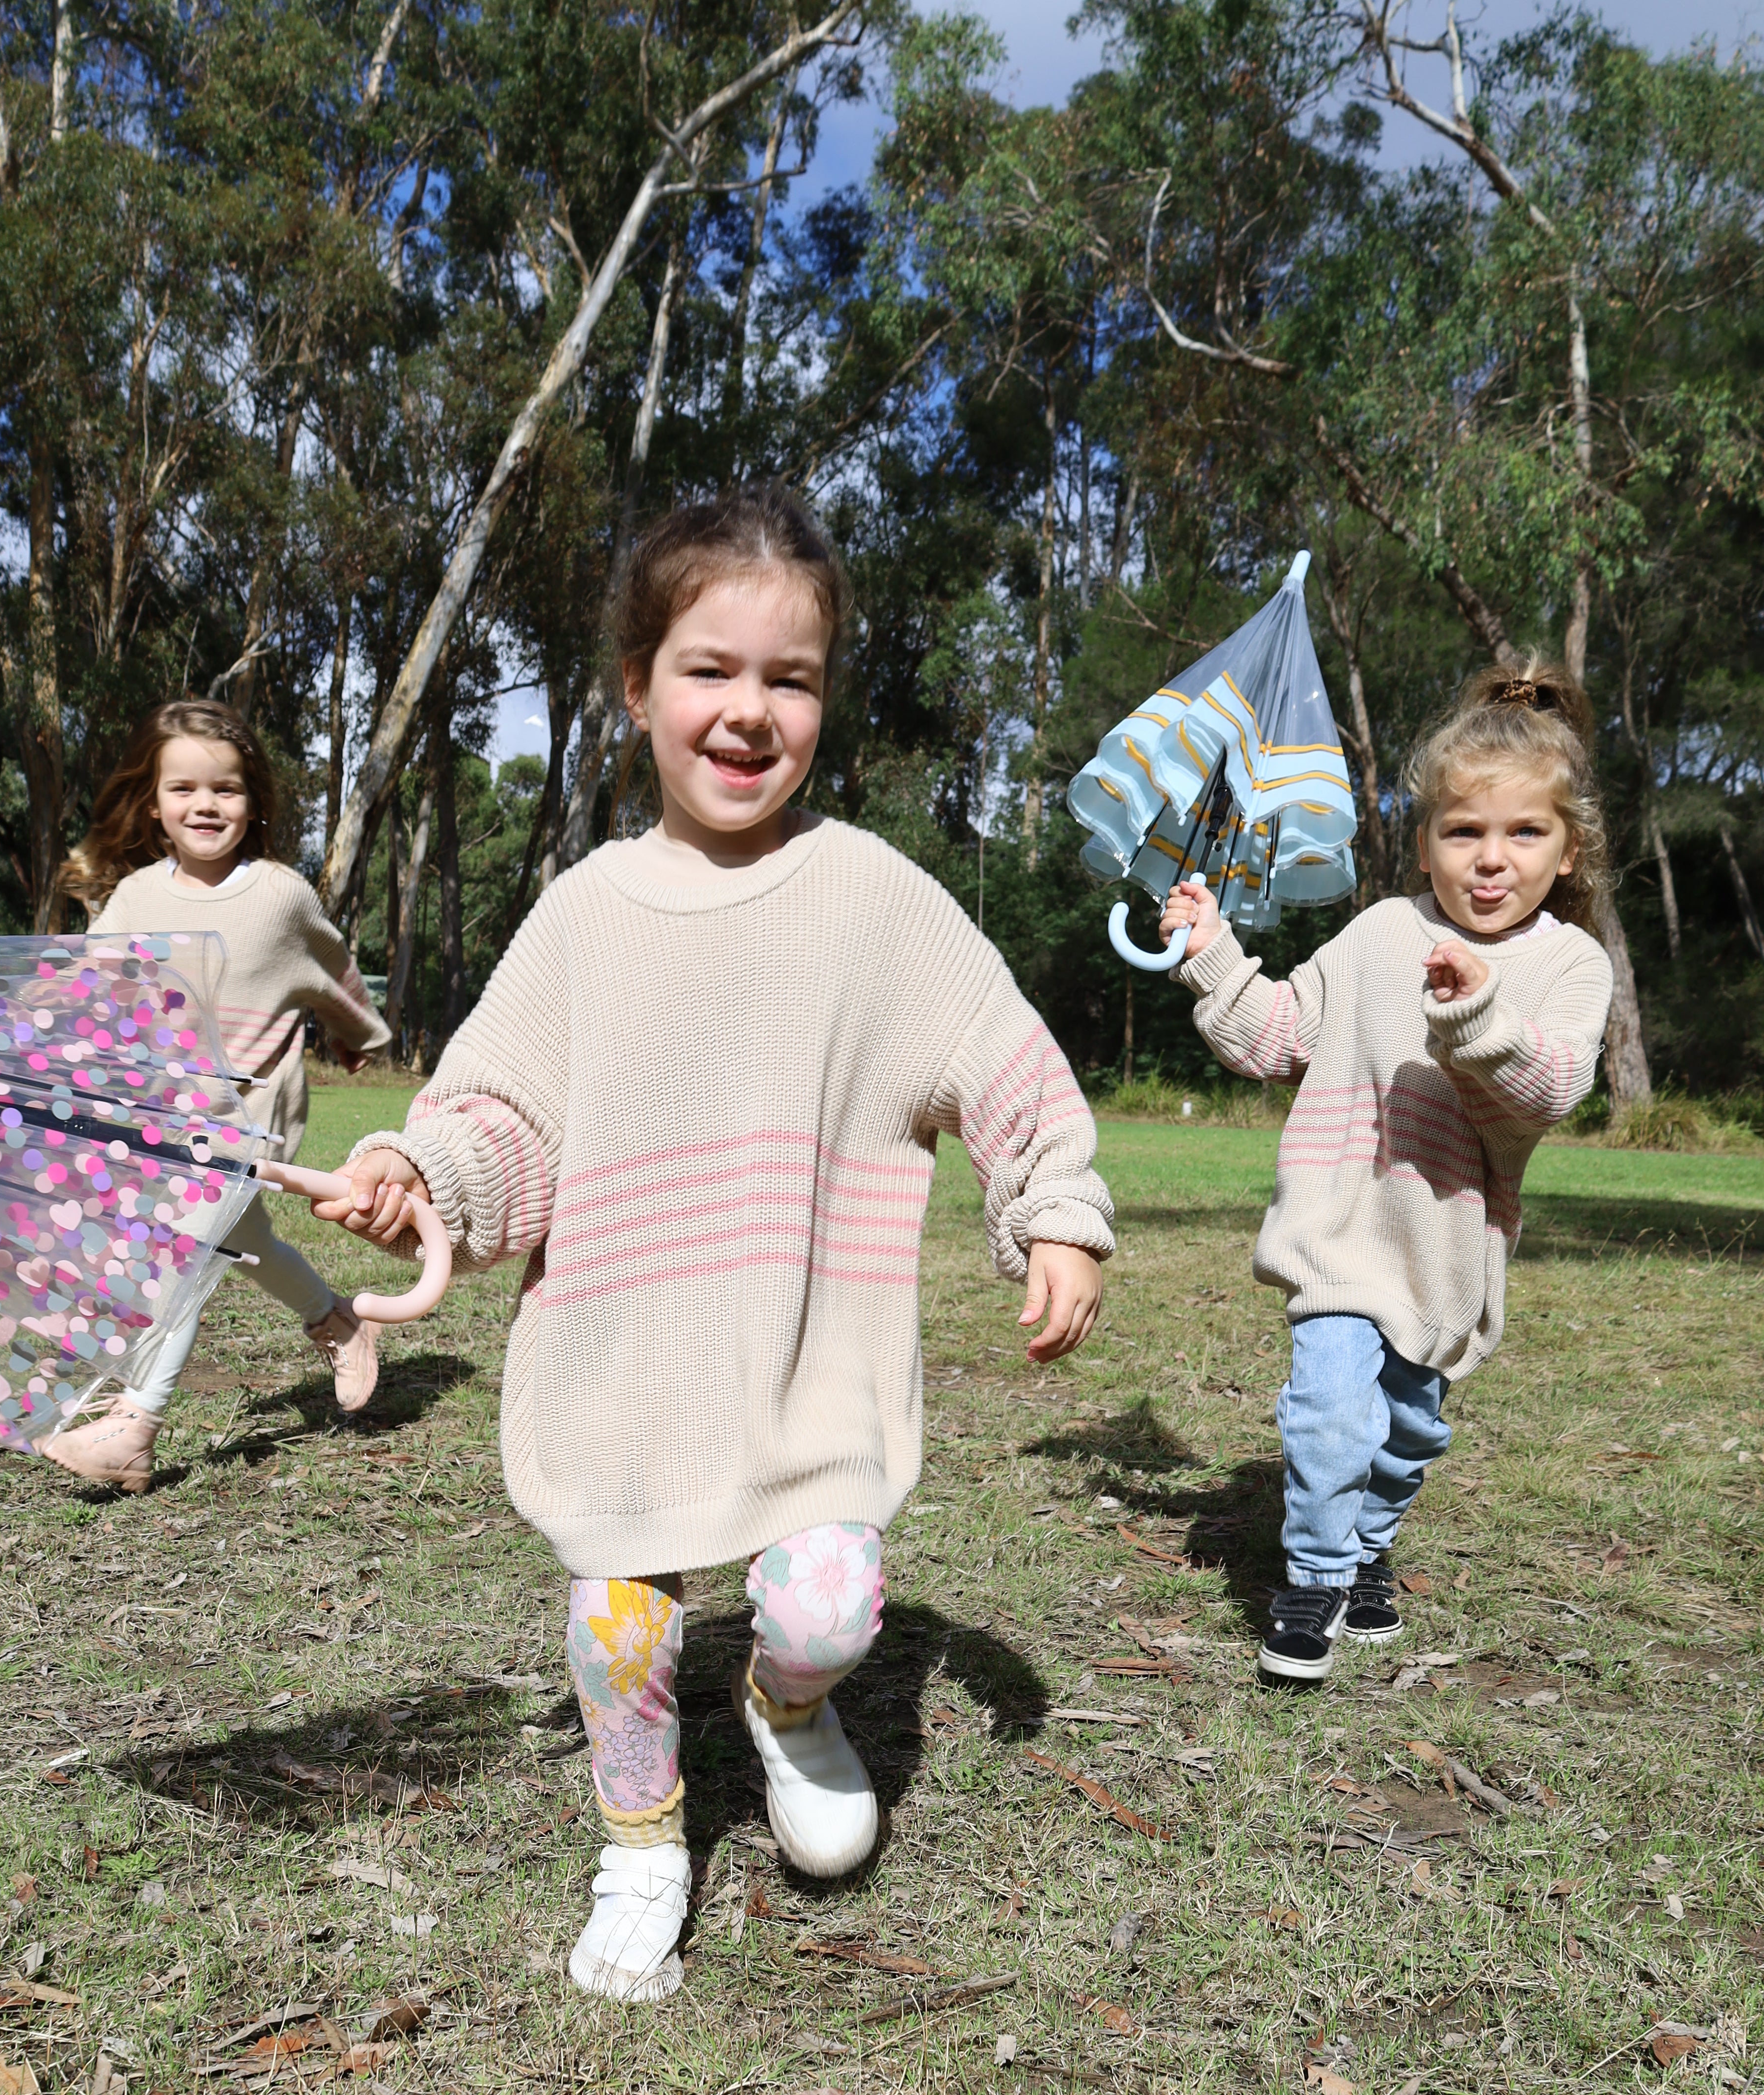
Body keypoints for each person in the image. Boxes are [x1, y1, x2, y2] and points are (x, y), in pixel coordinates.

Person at [318, 483, 1116, 2001]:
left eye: (791, 679)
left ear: (824, 700)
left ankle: (782, 1701)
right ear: (637, 688)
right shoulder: (584, 913)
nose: (750, 713)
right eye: (710, 670)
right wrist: (417, 1171)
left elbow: (1000, 1059)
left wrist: (1057, 1212)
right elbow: (503, 1115)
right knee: (622, 1620)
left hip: (810, 1356)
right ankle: (639, 1834)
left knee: (823, 1597)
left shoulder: (874, 898)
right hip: (631, 1355)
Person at [1164, 659, 1616, 1682]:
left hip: (1443, 1256)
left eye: (1522, 834)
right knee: (1328, 1410)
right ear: (1424, 840)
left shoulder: (1570, 965)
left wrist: (1475, 1012)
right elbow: (1280, 1034)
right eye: (1461, 832)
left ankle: (1366, 1546)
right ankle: (1315, 1581)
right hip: (1339, 1235)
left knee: (1406, 1433)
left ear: (1568, 848)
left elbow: (1546, 1088)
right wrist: (1211, 952)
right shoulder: (1380, 933)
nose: (1488, 860)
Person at [39, 700, 392, 1493]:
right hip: (166, 1119)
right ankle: (336, 1319)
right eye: (185, 789)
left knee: (190, 1248)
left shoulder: (278, 895)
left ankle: (136, 1424)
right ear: (155, 802)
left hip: (251, 1122)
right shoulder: (132, 900)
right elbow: (88, 992)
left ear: (255, 801)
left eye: (226, 790)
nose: (206, 805)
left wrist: (361, 1034)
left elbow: (331, 968)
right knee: (245, 1238)